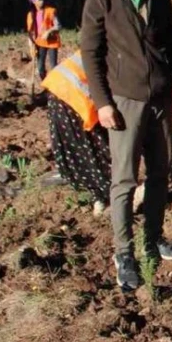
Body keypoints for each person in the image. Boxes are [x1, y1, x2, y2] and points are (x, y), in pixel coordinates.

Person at [80, 0, 172, 292]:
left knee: (160, 174)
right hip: (123, 101)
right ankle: (124, 252)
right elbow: (90, 55)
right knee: (124, 180)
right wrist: (103, 102)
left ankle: (153, 237)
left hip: (160, 99)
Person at [41, 49, 110, 217]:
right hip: (70, 94)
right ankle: (103, 195)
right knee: (93, 147)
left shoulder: (109, 41)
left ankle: (101, 193)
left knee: (90, 147)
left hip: (59, 87)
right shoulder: (122, 53)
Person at [26, 0, 61, 80]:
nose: (42, 1)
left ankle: (54, 86)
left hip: (52, 42)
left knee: (53, 66)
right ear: (34, 2)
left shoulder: (51, 11)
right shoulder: (31, 15)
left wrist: (49, 31)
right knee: (40, 67)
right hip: (40, 43)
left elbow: (58, 26)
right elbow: (30, 32)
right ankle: (45, 84)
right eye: (39, 0)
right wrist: (31, 47)